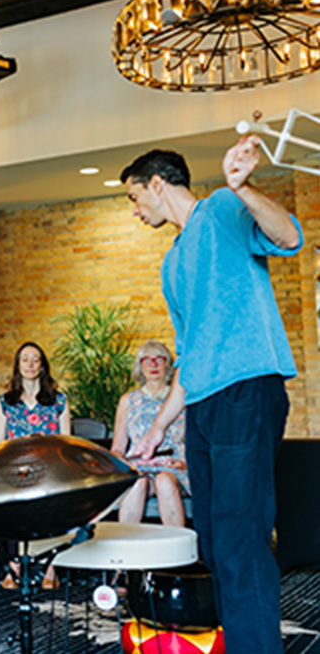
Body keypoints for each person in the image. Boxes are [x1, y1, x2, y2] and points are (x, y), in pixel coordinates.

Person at [121, 135, 302, 654]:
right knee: (217, 544)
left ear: (157, 184)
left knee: (242, 540)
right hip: (201, 407)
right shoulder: (172, 263)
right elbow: (191, 356)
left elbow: (288, 236)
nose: (135, 210)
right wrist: (156, 429)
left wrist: (242, 186)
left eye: (135, 197)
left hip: (247, 391)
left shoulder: (223, 207)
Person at [0, 341, 71, 589]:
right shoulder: (5, 402)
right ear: (18, 366)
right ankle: (13, 566)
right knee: (8, 502)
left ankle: (52, 567)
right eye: (25, 359)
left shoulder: (59, 401)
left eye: (35, 359)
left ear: (42, 366)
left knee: (57, 500)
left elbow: (66, 444)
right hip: (16, 471)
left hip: (51, 470)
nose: (30, 364)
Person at [111, 340, 189, 526]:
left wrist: (186, 462)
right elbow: (117, 449)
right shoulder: (128, 401)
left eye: (159, 359)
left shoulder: (181, 399)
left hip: (174, 467)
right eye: (147, 359)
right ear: (140, 366)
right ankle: (126, 546)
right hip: (140, 466)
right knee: (137, 483)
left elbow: (197, 440)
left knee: (164, 481)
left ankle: (177, 548)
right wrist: (125, 465)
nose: (153, 364)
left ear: (168, 365)